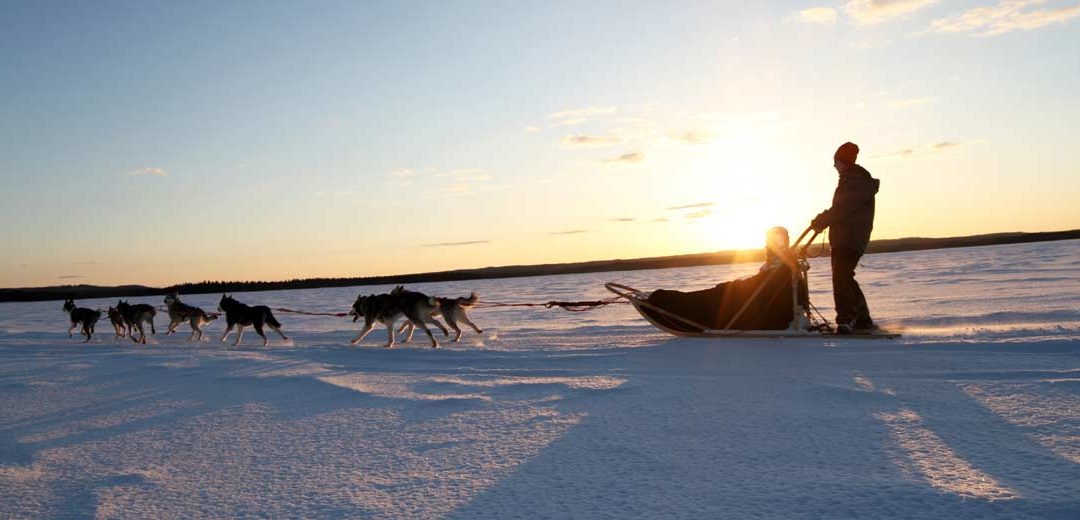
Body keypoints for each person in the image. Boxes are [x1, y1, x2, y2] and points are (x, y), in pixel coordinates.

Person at [645, 226, 808, 332]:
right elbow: (760, 285)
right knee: (712, 296)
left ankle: (663, 303)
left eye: (776, 242)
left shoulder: (784, 267)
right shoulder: (783, 264)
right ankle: (664, 301)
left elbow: (762, 287)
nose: (771, 246)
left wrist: (733, 288)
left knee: (709, 300)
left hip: (765, 315)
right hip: (758, 307)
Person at [810, 142, 880, 334]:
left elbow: (843, 207)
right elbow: (841, 207)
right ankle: (862, 318)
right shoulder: (850, 180)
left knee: (841, 276)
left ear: (843, 161)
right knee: (845, 276)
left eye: (836, 161)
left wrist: (823, 219)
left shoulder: (856, 181)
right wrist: (823, 219)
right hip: (845, 237)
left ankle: (846, 320)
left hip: (850, 237)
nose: (834, 165)